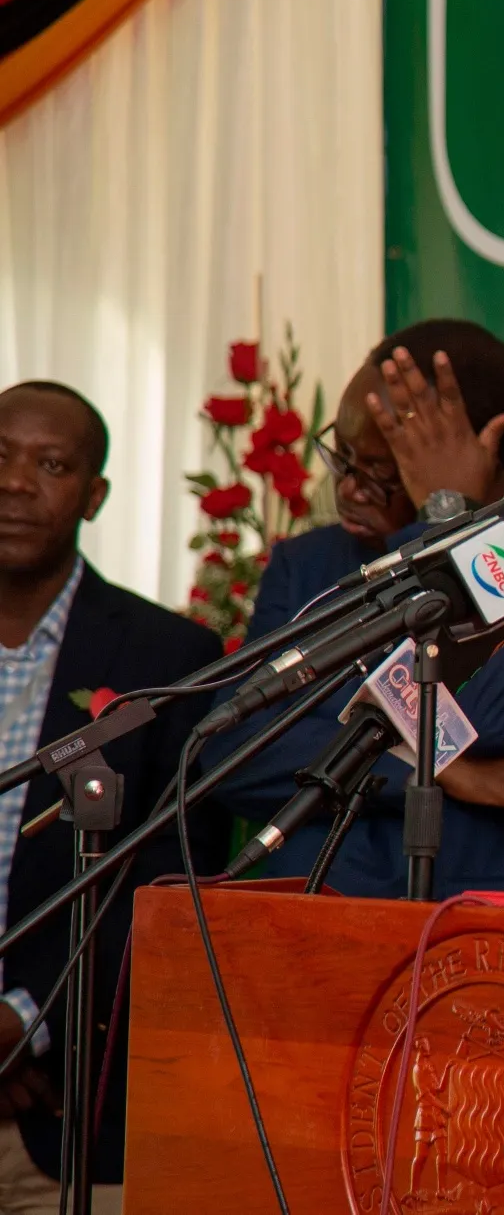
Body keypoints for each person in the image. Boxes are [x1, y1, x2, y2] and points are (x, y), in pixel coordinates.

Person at [210, 319, 504, 898]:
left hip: (489, 923)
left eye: (381, 473)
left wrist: (448, 520)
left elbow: (496, 713)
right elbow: (232, 753)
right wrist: (444, 770)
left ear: (486, 448)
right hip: (322, 910)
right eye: (342, 457)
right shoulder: (309, 564)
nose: (347, 490)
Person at [0, 381, 228, 1210]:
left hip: (63, 1117)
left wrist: (26, 1017)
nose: (16, 482)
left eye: (50, 464)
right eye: (1, 455)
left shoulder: (167, 659)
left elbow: (165, 884)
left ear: (93, 496)